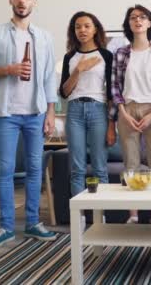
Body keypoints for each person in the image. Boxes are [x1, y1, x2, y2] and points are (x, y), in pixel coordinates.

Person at [0, 0, 58, 249]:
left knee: (35, 168)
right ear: (10, 0)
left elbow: (48, 78)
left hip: (35, 113)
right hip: (6, 113)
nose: (22, 1)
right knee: (6, 170)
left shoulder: (44, 37)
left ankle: (33, 223)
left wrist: (50, 113)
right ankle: (6, 227)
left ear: (34, 1)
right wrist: (8, 69)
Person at [110, 5, 151, 225]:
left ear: (149, 23)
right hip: (128, 110)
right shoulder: (121, 53)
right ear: (128, 24)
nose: (137, 21)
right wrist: (122, 113)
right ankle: (133, 215)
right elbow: (114, 86)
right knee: (131, 165)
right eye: (133, 18)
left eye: (142, 17)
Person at [59, 11, 113, 199]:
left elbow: (112, 92)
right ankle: (78, 222)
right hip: (74, 111)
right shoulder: (70, 57)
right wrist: (78, 70)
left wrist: (112, 125)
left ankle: (102, 220)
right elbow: (64, 92)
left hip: (98, 110)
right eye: (77, 27)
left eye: (86, 26)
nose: (82, 30)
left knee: (99, 168)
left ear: (95, 29)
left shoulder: (106, 55)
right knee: (77, 169)